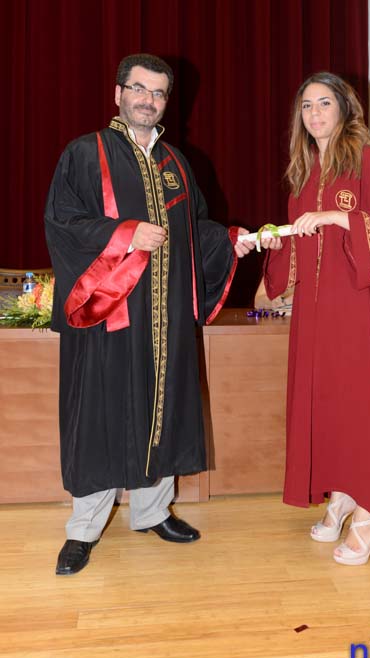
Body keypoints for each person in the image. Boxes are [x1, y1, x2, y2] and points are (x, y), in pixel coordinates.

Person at [45, 53, 255, 575]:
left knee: (164, 408)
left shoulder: (176, 163)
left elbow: (196, 229)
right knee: (100, 416)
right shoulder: (85, 153)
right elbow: (63, 223)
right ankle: (83, 530)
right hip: (107, 316)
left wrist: (229, 241)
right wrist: (123, 234)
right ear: (118, 93)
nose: (148, 100)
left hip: (167, 318)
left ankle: (152, 512)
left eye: (158, 93)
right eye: (138, 89)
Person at [262, 72, 370, 565]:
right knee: (326, 404)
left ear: (345, 108)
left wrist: (337, 217)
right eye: (306, 106)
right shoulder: (304, 176)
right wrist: (277, 240)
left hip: (361, 312)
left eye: (324, 103)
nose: (315, 113)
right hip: (317, 314)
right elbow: (300, 251)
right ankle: (343, 493)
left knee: (360, 404)